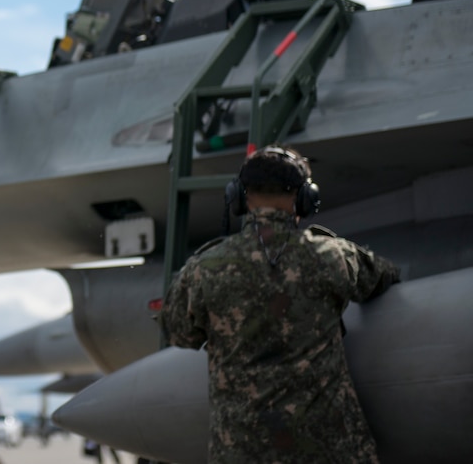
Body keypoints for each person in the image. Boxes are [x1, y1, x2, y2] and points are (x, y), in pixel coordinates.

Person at [161, 146, 401, 463]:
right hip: (326, 450)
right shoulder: (330, 256)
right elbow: (384, 276)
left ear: (239, 198)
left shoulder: (203, 269)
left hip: (242, 452)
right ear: (304, 198)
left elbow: (178, 333)